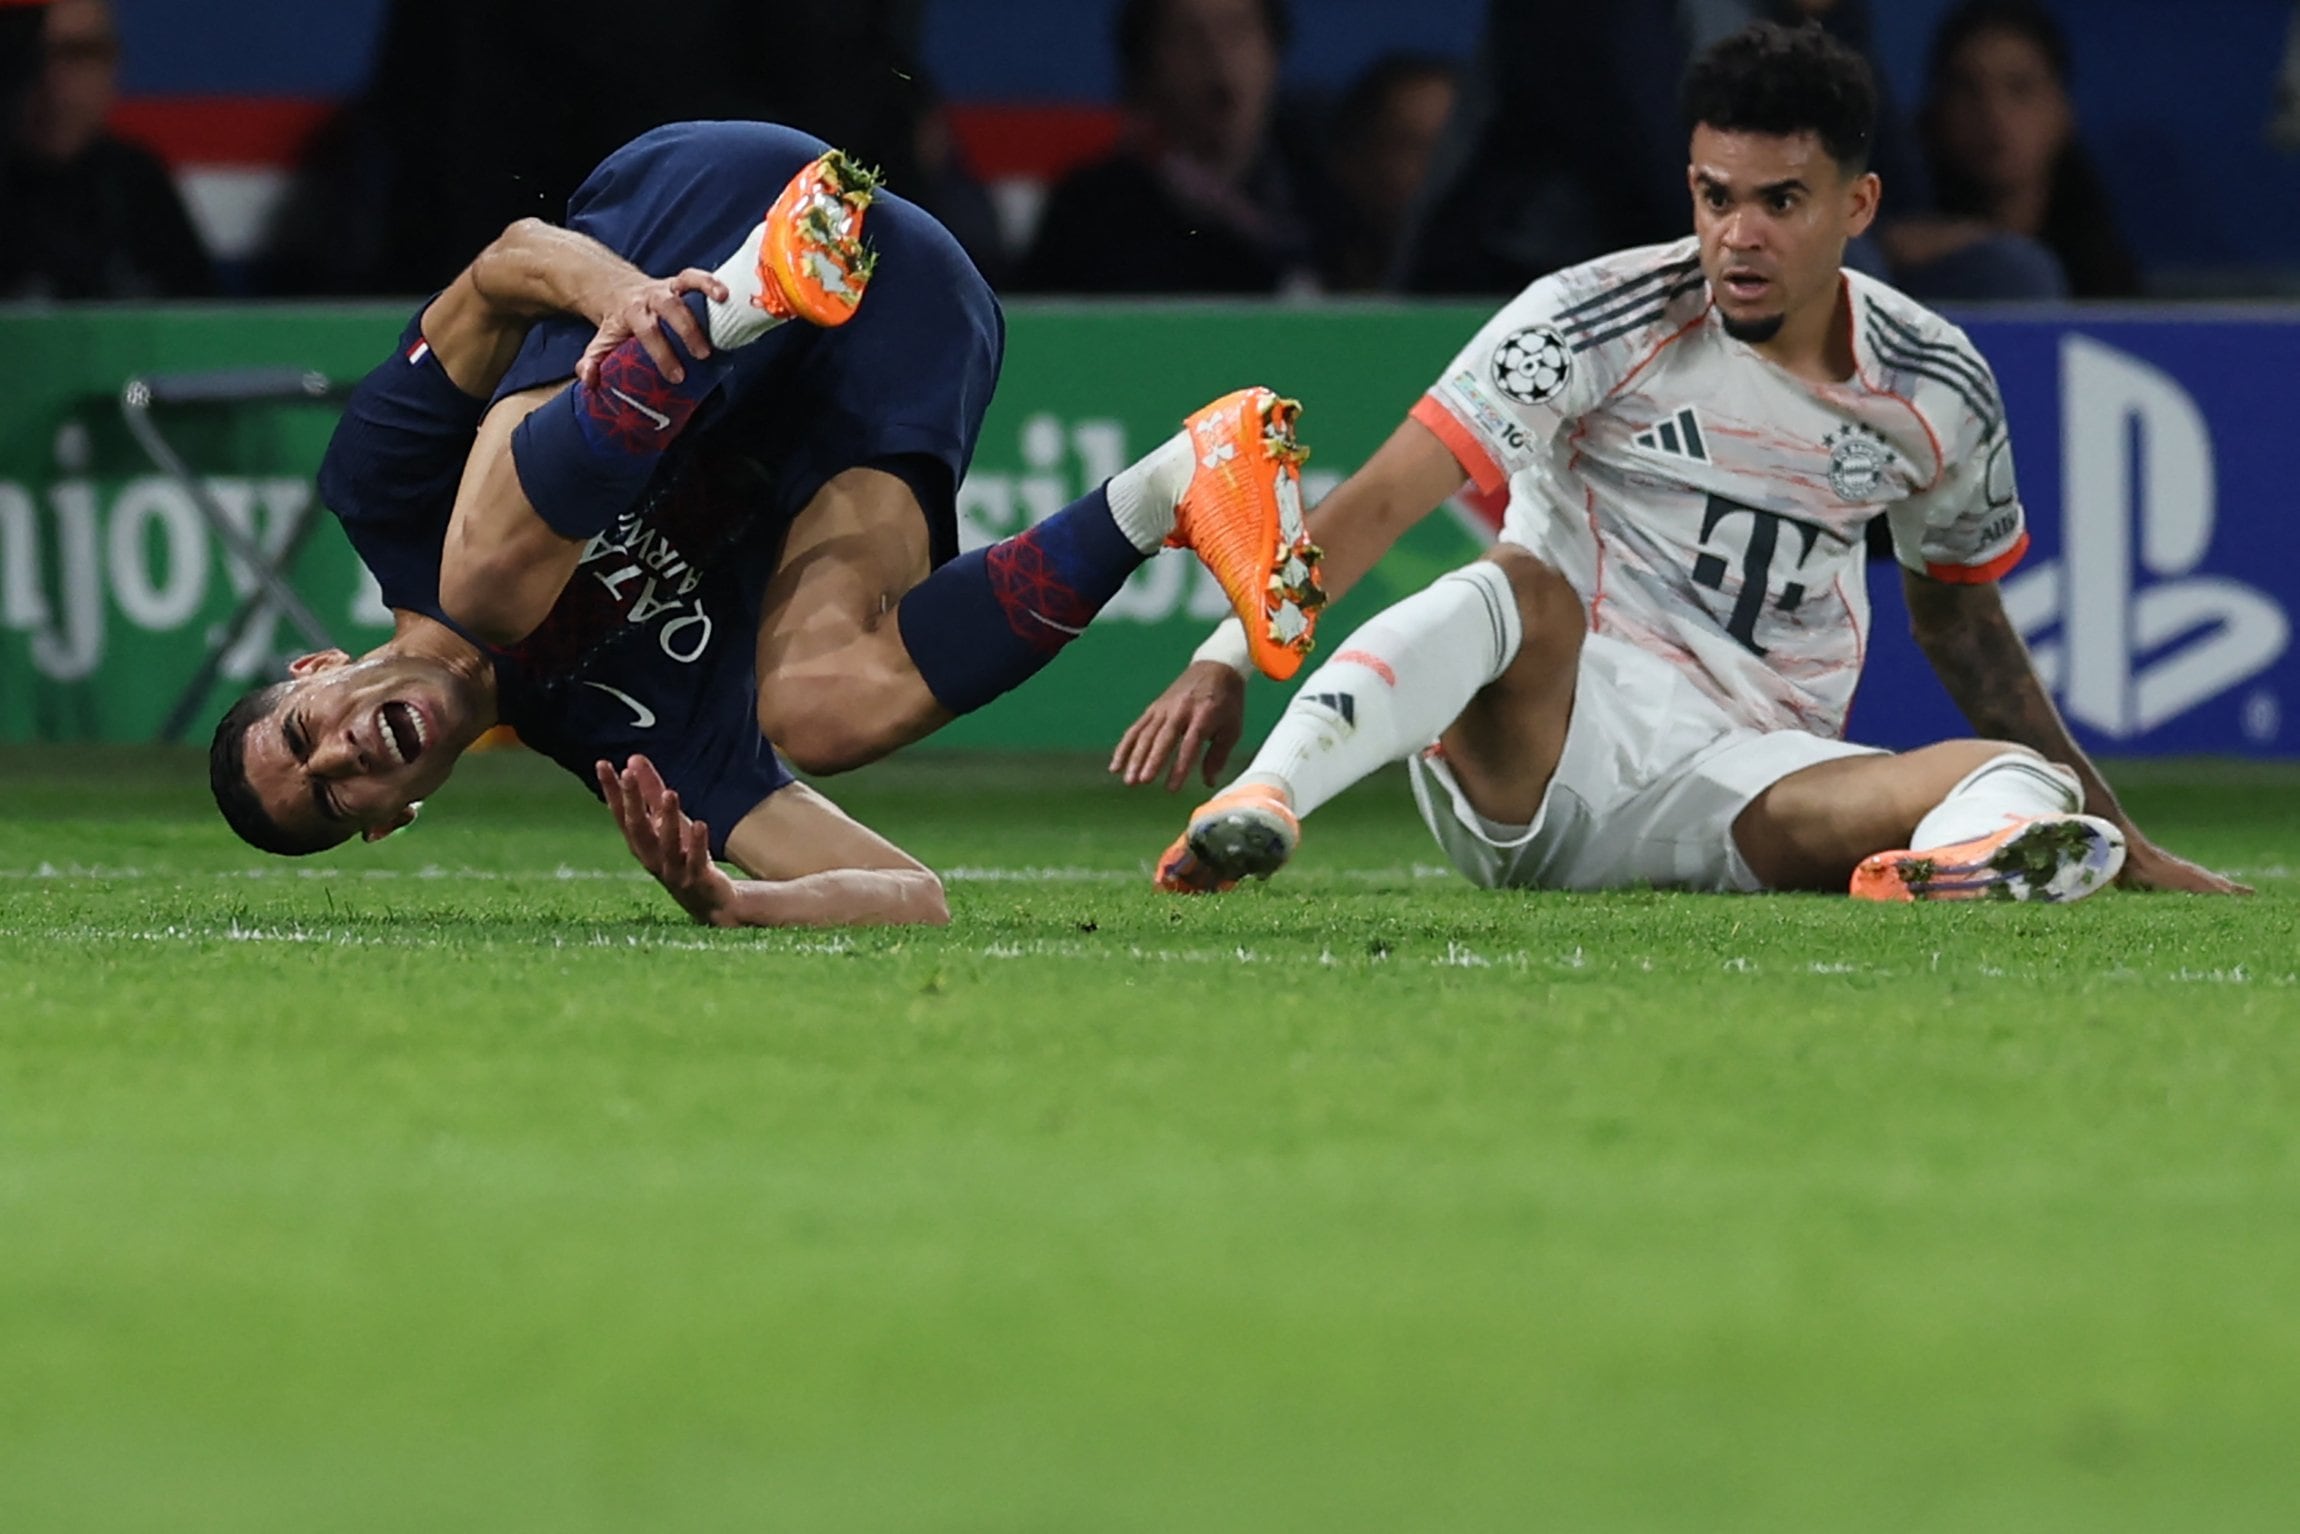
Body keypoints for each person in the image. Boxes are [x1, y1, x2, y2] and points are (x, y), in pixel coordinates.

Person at [1114, 22, 2244, 904]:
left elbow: (1959, 621)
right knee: (1515, 585)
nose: (1736, 237)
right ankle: (1273, 795)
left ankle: (1954, 863)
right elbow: (1378, 500)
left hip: (1753, 779)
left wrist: (2124, 833)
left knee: (2023, 784)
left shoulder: (1933, 385)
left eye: (1778, 203)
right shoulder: (1587, 320)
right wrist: (1227, 651)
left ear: (1856, 205)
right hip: (1543, 755)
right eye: (1714, 197)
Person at [210, 121, 1324, 927]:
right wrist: (730, 900)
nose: (343, 753)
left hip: (716, 202)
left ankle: (738, 296)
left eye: (305, 731)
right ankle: (1177, 481)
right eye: (333, 795)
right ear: (390, 819)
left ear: (317, 665)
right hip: (911, 314)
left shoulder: (377, 490)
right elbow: (915, 901)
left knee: (489, 588)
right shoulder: (632, 749)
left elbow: (510, 262)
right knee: (823, 712)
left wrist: (620, 299)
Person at [1018, 0, 1315, 295]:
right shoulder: (1090, 211)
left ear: (1274, 51)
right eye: (1188, 36)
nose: (1217, 55)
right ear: (1146, 64)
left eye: (1237, 30)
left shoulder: (1321, 185)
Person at [1918, 0, 2141, 299]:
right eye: (1967, 89)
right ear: (1937, 111)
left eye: (2020, 88)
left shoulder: (2103, 276)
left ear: (2062, 111)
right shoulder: (1913, 264)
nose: (1993, 114)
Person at [0, 0, 212, 299]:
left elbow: (198, 323)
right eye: (30, 56)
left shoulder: (135, 181)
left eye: (79, 54)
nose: (54, 82)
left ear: (114, 64)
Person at [1316, 52, 1461, 293]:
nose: (1437, 167)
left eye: (1450, 148)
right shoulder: (1295, 278)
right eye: (1411, 146)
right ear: (1352, 159)